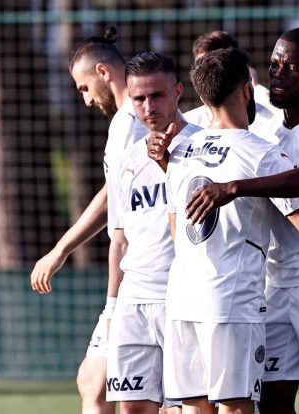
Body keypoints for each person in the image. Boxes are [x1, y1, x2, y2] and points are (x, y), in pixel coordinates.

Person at [147, 47, 299, 414]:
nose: (278, 73)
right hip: (269, 284)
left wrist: (232, 186)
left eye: (290, 66)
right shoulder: (263, 138)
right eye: (274, 65)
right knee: (267, 400)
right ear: (248, 87)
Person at [29, 28, 148, 414]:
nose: (85, 100)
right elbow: (113, 192)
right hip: (138, 275)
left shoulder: (130, 122)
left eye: (83, 88)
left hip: (143, 278)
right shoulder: (133, 121)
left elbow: (119, 214)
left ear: (103, 71)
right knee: (93, 382)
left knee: (140, 398)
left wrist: (60, 250)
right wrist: (61, 249)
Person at [104, 51, 201, 414]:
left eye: (157, 95)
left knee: (186, 409)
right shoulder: (127, 160)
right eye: (139, 99)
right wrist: (112, 308)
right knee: (132, 408)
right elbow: (121, 239)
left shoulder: (202, 149)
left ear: (177, 91)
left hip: (184, 299)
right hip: (134, 300)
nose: (148, 106)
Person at [183, 30, 279, 130]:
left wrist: (257, 89)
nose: (205, 76)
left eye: (213, 69)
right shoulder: (187, 124)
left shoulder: (270, 121)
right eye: (200, 68)